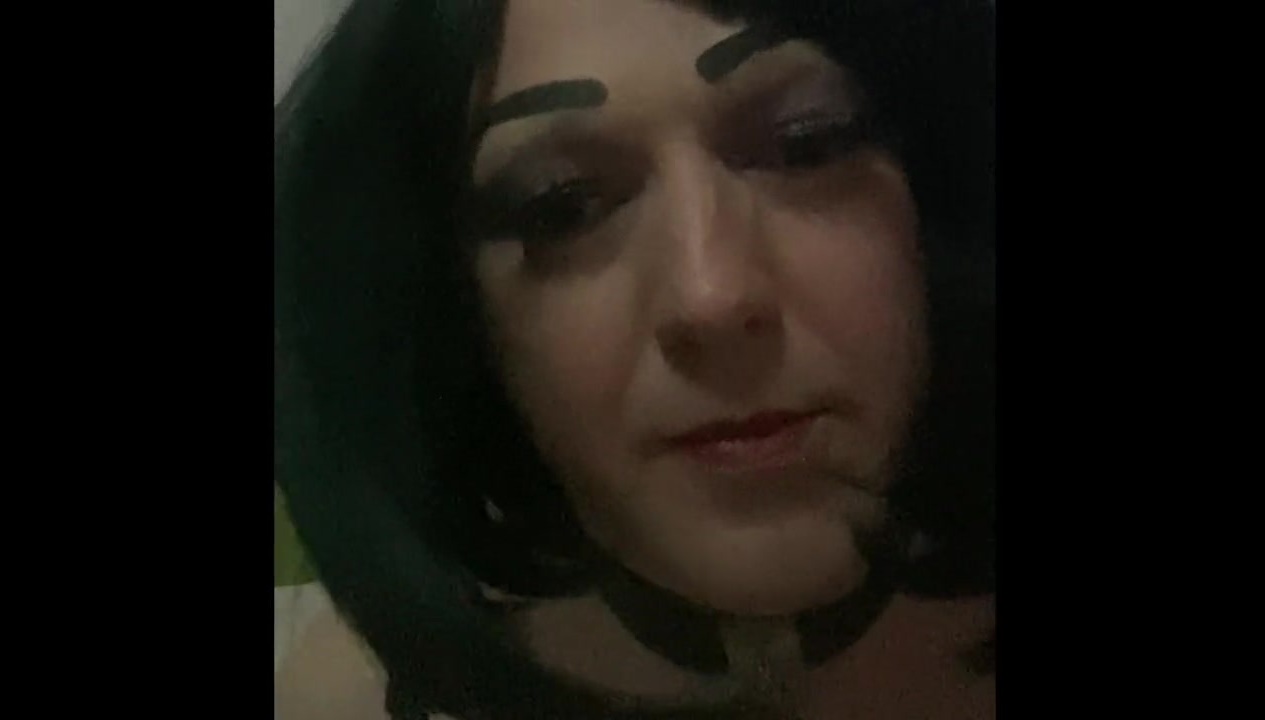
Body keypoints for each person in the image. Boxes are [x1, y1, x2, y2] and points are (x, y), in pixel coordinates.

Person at [274, 0, 996, 717]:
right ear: (455, 314)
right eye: (561, 207)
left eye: (805, 144)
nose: (711, 297)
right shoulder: (351, 702)